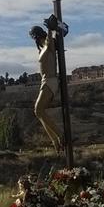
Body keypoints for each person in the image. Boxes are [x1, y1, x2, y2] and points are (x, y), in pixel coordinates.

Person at [28, 23, 63, 151]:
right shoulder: (43, 48)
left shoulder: (49, 45)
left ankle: (60, 136)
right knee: (38, 112)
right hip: (46, 81)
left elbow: (49, 39)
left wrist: (49, 27)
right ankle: (55, 140)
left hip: (50, 81)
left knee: (38, 110)